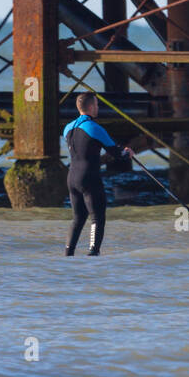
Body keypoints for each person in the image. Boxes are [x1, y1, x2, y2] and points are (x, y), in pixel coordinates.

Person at [62, 93, 127, 256]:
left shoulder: (67, 128)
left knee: (78, 218)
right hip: (89, 178)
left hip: (72, 178)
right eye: (97, 105)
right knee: (97, 218)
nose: (98, 107)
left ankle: (68, 255)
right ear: (91, 107)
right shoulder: (95, 128)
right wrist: (126, 152)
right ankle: (93, 254)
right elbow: (116, 153)